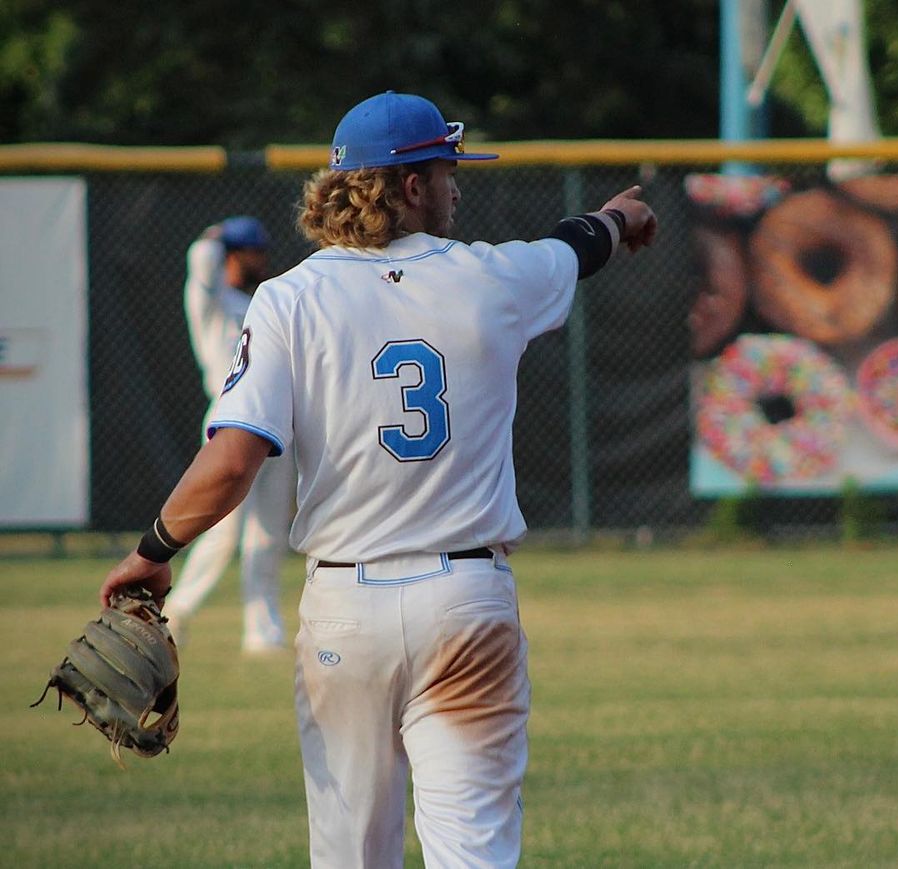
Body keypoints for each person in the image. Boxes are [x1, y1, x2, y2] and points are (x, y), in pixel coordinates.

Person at [100, 90, 657, 868]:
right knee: (475, 854)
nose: (456, 183)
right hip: (468, 603)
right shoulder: (491, 277)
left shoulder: (289, 299)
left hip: (346, 612)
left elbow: (230, 459)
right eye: (444, 168)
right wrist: (621, 218)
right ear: (407, 187)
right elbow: (577, 243)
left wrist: (154, 548)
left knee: (353, 858)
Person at [164, 216, 296, 652]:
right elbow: (201, 259)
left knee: (268, 532)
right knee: (224, 527)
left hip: (276, 418)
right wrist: (217, 233)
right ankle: (176, 610)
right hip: (230, 417)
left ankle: (263, 629)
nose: (262, 258)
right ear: (233, 255)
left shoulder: (263, 301)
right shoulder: (211, 298)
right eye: (252, 251)